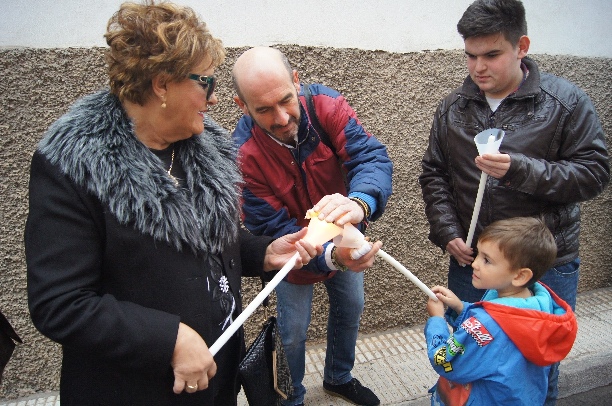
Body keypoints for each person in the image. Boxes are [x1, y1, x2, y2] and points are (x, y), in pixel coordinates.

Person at [23, 3, 322, 406]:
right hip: (138, 390)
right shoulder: (75, 165)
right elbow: (59, 303)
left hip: (216, 377)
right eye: (205, 83)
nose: (212, 99)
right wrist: (170, 339)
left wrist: (265, 251)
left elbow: (210, 245)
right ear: (162, 84)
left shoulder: (203, 148)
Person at [231, 46, 393, 406]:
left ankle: (339, 377)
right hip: (293, 252)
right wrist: (333, 256)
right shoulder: (242, 154)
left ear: (296, 81)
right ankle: (292, 398)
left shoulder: (325, 105)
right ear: (242, 106)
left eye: (287, 100)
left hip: (347, 234)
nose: (282, 117)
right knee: (291, 333)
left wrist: (359, 202)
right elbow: (272, 229)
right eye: (263, 109)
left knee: (351, 308)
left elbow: (369, 156)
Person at [425, 217, 577, 405]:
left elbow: (445, 361)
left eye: (487, 260)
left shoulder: (486, 326)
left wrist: (437, 320)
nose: (475, 264)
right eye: (478, 254)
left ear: (520, 275)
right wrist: (461, 308)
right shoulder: (539, 304)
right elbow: (500, 331)